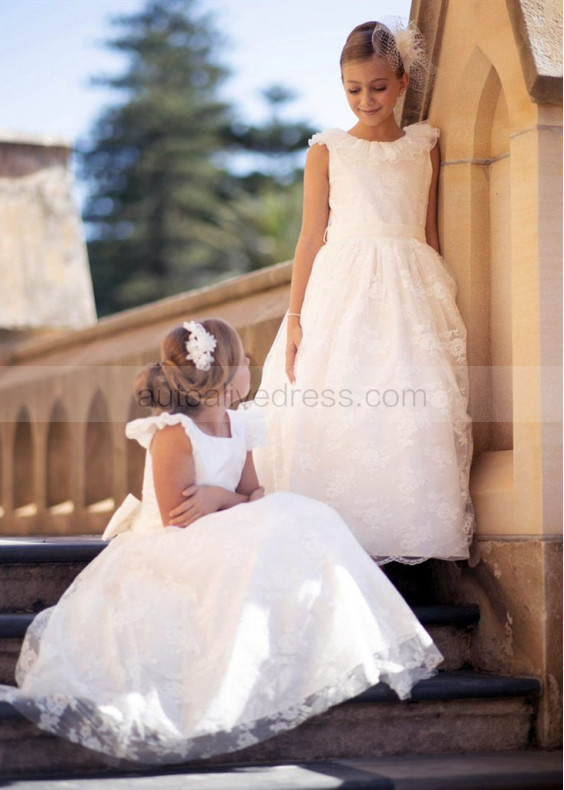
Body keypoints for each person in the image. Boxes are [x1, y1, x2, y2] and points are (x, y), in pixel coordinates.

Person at [0, 319, 442, 766]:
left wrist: (221, 498)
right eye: (245, 360)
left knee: (306, 516)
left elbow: (254, 494)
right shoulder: (174, 434)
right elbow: (178, 517)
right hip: (173, 543)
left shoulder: (241, 425)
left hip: (222, 518)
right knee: (256, 546)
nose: (251, 364)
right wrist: (224, 503)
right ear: (226, 374)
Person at [251, 21, 475, 565]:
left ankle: (403, 538)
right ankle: (329, 541)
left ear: (401, 82)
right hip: (341, 288)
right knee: (339, 404)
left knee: (409, 408)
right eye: (353, 89)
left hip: (410, 289)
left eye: (377, 86)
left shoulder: (425, 147)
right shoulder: (328, 150)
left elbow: (429, 231)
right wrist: (297, 315)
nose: (365, 99)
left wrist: (439, 300)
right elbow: (309, 238)